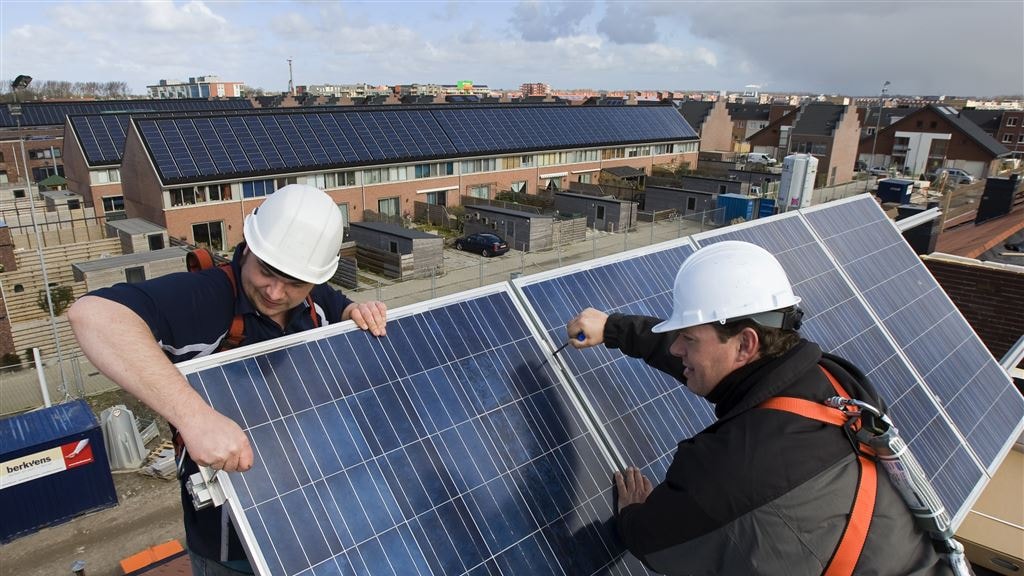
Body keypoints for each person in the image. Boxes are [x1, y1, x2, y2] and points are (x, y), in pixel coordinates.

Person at [566, 241, 953, 575]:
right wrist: (615, 328)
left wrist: (634, 512)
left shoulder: (725, 470)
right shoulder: (836, 383)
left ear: (747, 345)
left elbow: (652, 543)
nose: (676, 349)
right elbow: (714, 366)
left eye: (686, 337)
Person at [68, 184, 388, 575]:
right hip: (231, 539)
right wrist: (194, 416)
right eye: (266, 271)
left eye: (295, 282)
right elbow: (93, 316)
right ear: (248, 247)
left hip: (315, 512)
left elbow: (337, 307)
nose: (275, 291)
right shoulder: (205, 298)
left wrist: (357, 309)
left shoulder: (314, 298)